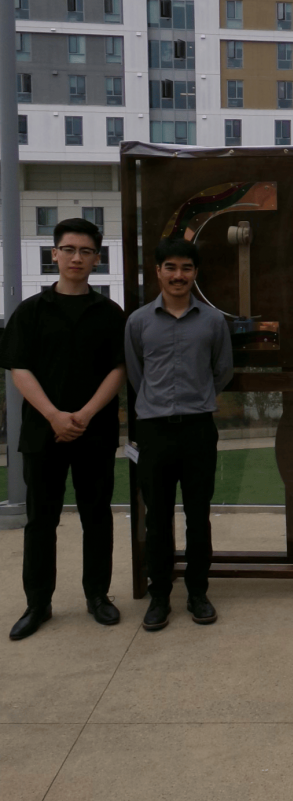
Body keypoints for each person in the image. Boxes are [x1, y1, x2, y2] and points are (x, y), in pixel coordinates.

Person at [0, 218, 126, 640]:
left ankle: (98, 596)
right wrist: (54, 415)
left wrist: (85, 414)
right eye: (68, 249)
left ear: (96, 257)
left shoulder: (109, 314)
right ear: (54, 254)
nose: (77, 258)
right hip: (42, 433)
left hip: (96, 432)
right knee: (41, 520)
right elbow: (20, 368)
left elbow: (118, 369)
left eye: (86, 251)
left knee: (97, 517)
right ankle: (38, 604)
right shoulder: (31, 312)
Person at [125, 238, 233, 632]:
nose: (178, 275)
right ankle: (158, 598)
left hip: (198, 430)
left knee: (198, 517)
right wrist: (157, 405)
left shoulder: (212, 321)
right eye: (170, 267)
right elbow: (137, 376)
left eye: (186, 268)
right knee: (157, 519)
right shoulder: (138, 322)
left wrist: (196, 398)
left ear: (195, 273)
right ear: (157, 272)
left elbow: (222, 371)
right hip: (154, 432)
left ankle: (198, 593)